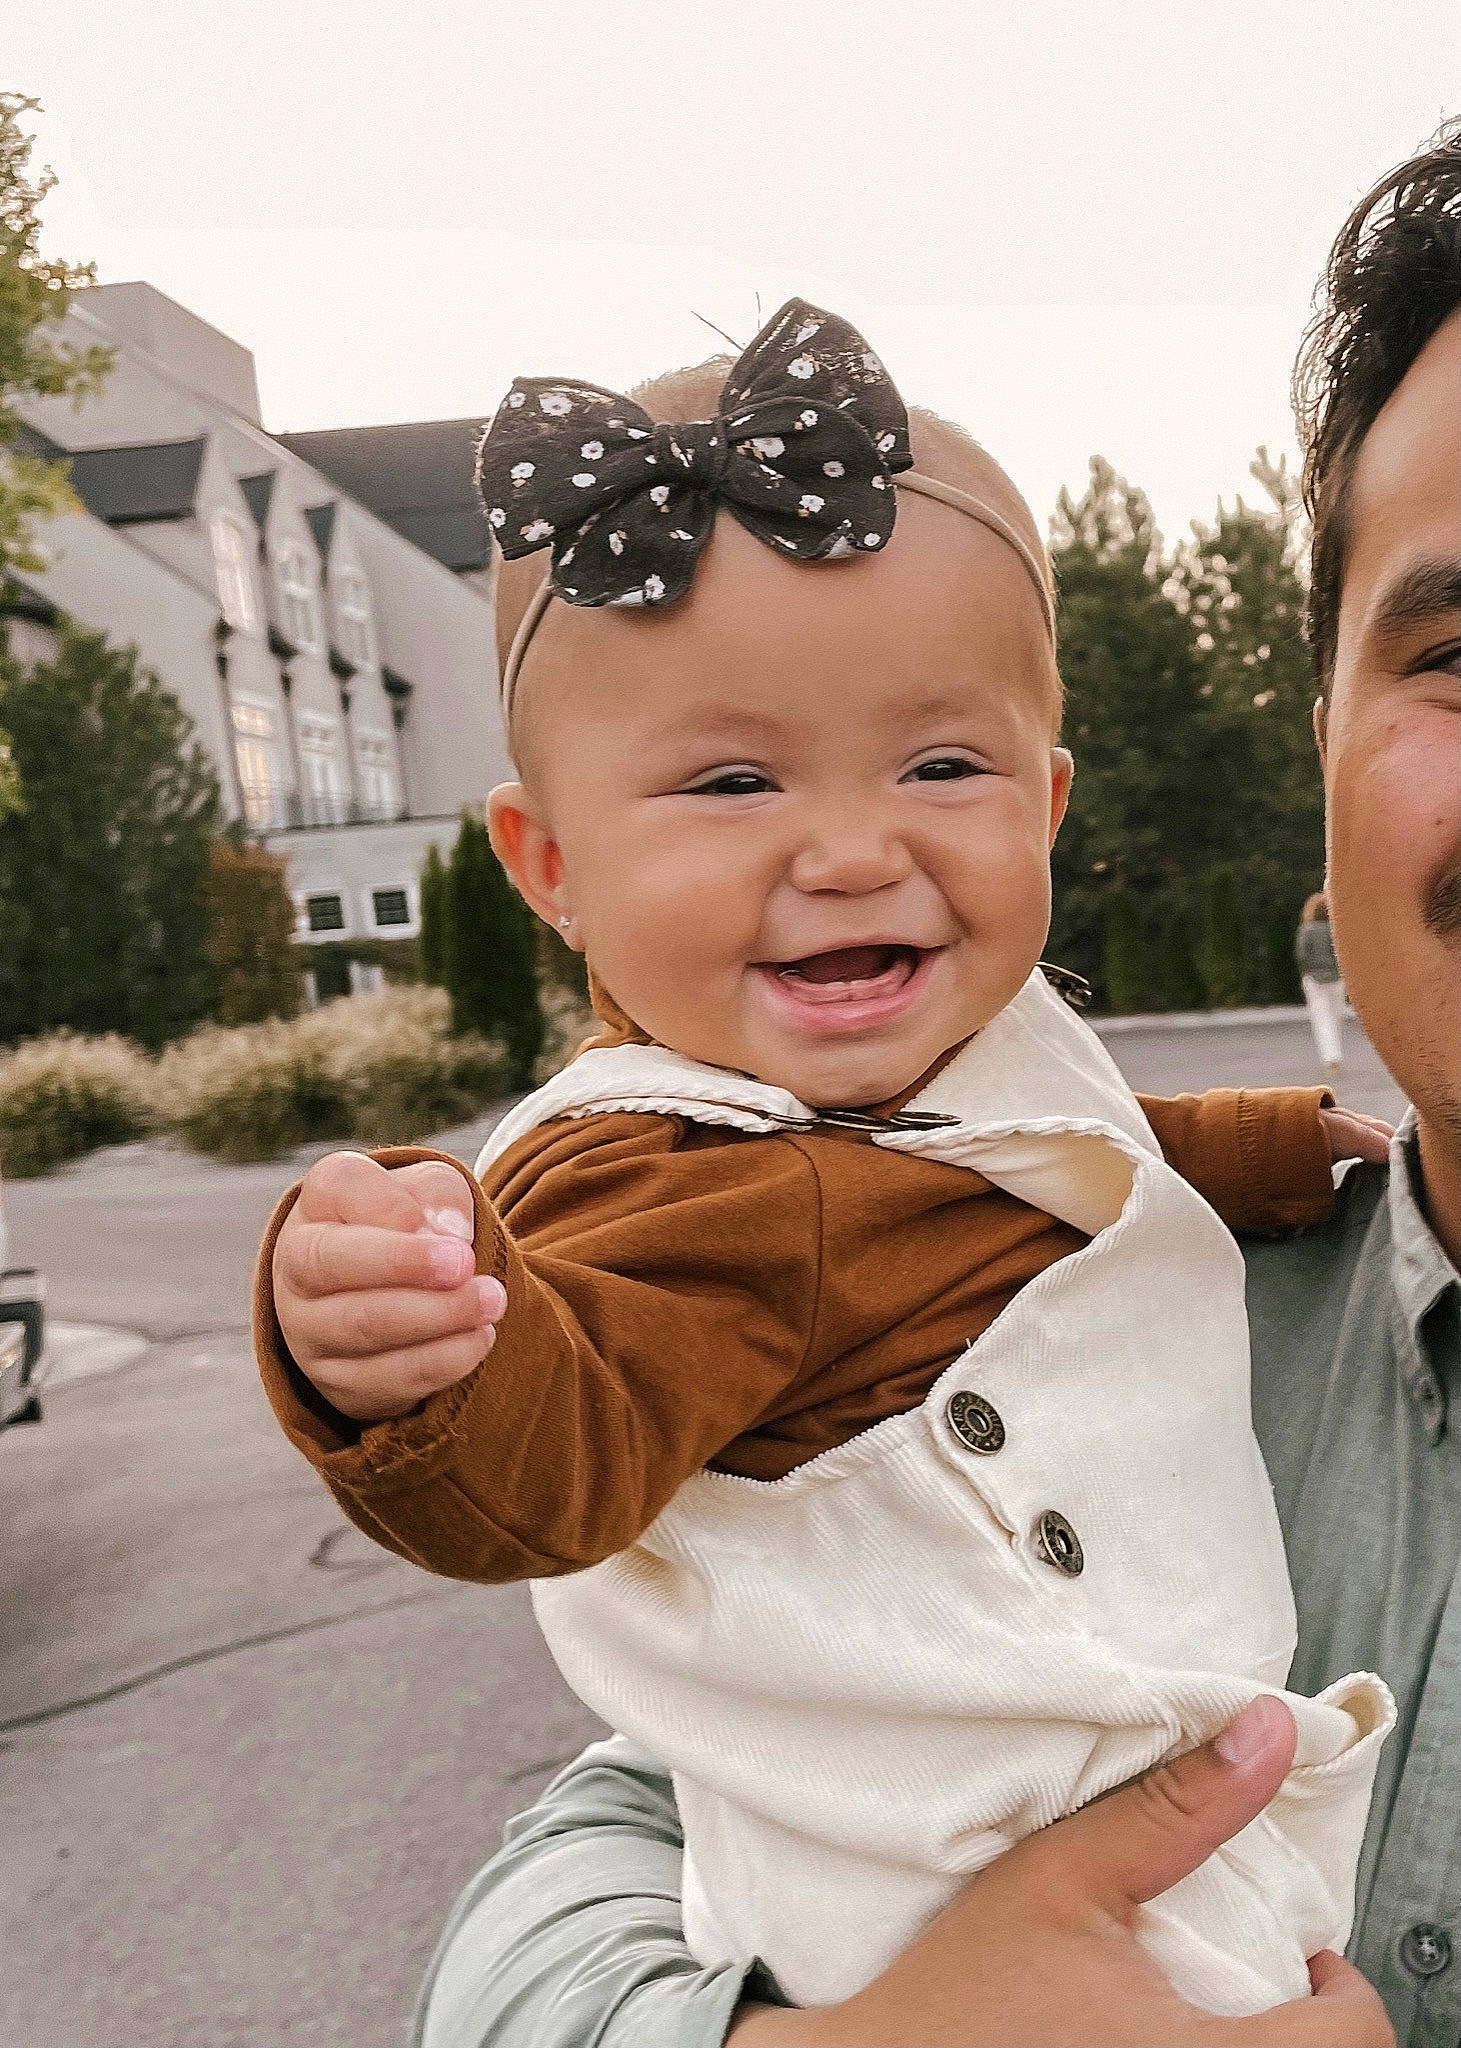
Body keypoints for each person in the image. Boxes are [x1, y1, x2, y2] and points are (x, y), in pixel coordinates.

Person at [404, 126, 1460, 2048]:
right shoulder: (660, 1194)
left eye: (938, 772)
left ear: (1049, 809)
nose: (847, 851)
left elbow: (1064, 1157)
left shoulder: (999, 1125)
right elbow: (608, 1817)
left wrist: (1231, 1148)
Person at [1297, 893, 1345, 1071]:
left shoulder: (1307, 930)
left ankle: (1331, 1057)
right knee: (1336, 1016)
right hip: (1337, 978)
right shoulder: (1335, 929)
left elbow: (1302, 955)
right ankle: (1336, 1053)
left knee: (1322, 1017)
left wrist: (1306, 972)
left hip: (1315, 979)